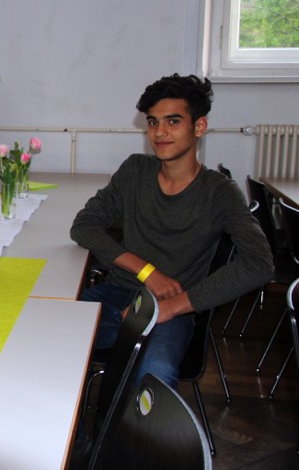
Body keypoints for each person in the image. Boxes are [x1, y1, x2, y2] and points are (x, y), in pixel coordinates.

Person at [70, 73, 273, 388]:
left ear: (199, 126)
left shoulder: (219, 192)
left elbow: (259, 263)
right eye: (153, 122)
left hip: (173, 311)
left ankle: (132, 423)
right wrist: (146, 270)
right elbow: (84, 225)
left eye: (173, 121)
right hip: (117, 295)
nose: (160, 132)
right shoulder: (135, 170)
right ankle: (71, 423)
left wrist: (172, 306)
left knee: (155, 374)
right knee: (45, 333)